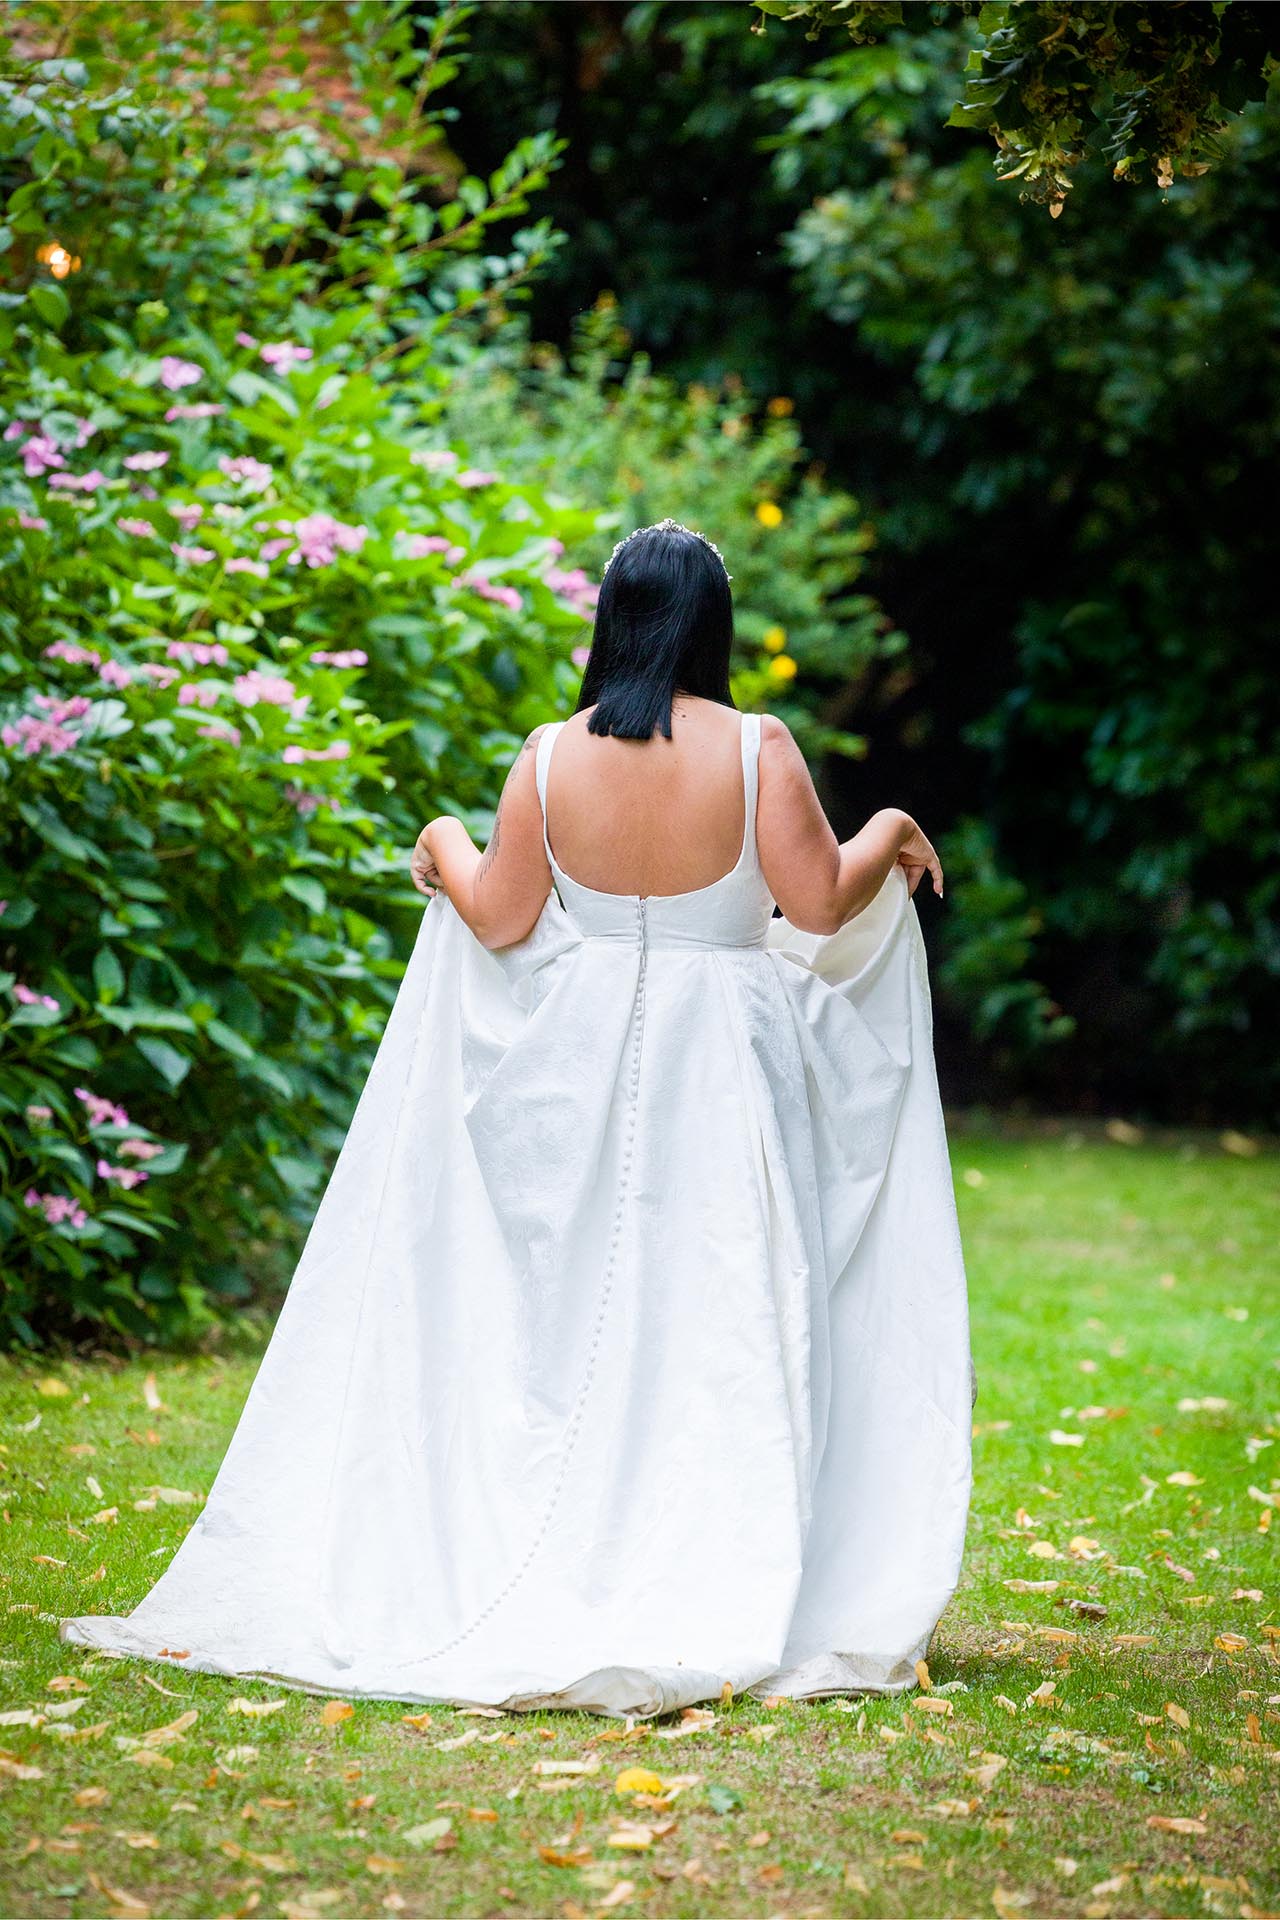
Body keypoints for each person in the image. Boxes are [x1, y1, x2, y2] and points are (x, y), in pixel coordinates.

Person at [61, 518, 974, 1720]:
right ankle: (708, 1550)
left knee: (569, 1321)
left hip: (578, 1072)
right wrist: (889, 831)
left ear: (612, 619)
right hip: (723, 1066)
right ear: (712, 624)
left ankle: (569, 1538)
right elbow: (813, 897)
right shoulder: (759, 748)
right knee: (720, 1305)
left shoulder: (548, 757)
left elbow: (495, 916)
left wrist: (440, 839)